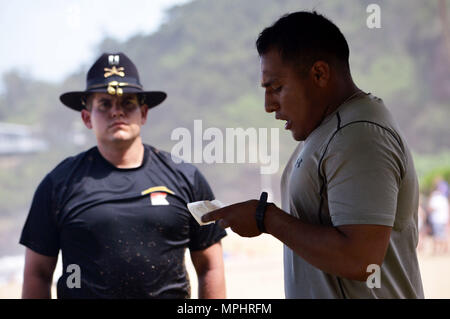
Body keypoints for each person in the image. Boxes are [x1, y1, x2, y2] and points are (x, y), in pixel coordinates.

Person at [202, 11, 424, 298]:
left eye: (277, 88)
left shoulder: (358, 135)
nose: (269, 105)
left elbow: (361, 259)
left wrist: (265, 218)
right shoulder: (330, 129)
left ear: (319, 73)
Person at [19, 52, 227, 299]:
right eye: (104, 104)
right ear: (87, 118)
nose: (116, 112)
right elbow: (38, 274)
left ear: (144, 113)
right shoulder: (58, 183)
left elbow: (210, 265)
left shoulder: (187, 177)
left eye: (127, 103)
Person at [428, 179, 449, 255]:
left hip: (436, 220)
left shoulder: (435, 198)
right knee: (443, 235)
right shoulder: (444, 199)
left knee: (436, 236)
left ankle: (436, 250)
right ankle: (443, 250)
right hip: (443, 219)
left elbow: (430, 208)